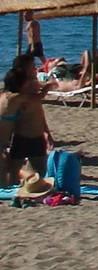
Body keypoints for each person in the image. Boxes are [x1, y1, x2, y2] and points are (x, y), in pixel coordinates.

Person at [1, 54, 52, 187]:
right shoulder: (15, 98)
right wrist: (48, 87)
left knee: (11, 169)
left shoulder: (11, 95)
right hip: (15, 138)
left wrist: (47, 132)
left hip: (15, 139)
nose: (35, 68)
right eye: (32, 65)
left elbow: (37, 110)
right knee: (8, 171)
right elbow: (37, 98)